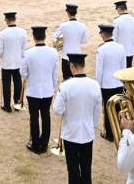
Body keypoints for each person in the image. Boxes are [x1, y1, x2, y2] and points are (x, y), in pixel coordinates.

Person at [53, 53, 102, 184]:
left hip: (70, 134)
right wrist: (93, 127)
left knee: (73, 170)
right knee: (87, 169)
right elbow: (97, 111)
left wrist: (67, 110)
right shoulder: (95, 85)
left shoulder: (66, 86)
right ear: (84, 65)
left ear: (71, 66)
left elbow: (57, 110)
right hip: (87, 133)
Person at [22, 26, 58, 154]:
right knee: (46, 116)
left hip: (33, 90)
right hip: (48, 90)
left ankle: (35, 144)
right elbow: (55, 73)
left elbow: (24, 73)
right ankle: (44, 144)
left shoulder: (28, 53)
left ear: (34, 37)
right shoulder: (53, 52)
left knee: (34, 117)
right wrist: (52, 86)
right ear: (45, 36)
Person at [96, 24, 127, 142]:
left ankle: (109, 133)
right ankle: (119, 130)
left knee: (108, 110)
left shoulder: (101, 49)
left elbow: (99, 71)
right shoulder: (121, 47)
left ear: (103, 34)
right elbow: (123, 66)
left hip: (106, 85)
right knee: (119, 109)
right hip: (119, 82)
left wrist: (98, 85)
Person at [0, 11, 27, 112]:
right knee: (18, 83)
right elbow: (24, 49)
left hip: (6, 63)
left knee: (6, 84)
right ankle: (17, 104)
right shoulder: (23, 32)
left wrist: (3, 57)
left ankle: (7, 106)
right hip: (18, 62)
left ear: (6, 20)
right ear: (15, 19)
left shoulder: (2, 34)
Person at [54, 3, 88, 81]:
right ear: (76, 12)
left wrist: (62, 42)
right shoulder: (82, 26)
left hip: (66, 57)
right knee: (78, 80)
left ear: (68, 13)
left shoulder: (64, 25)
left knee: (66, 81)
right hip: (78, 57)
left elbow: (55, 37)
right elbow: (84, 40)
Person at [113, 0, 134, 68]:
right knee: (129, 67)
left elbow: (114, 37)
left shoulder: (117, 21)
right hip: (131, 49)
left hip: (119, 50)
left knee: (120, 69)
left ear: (119, 9)